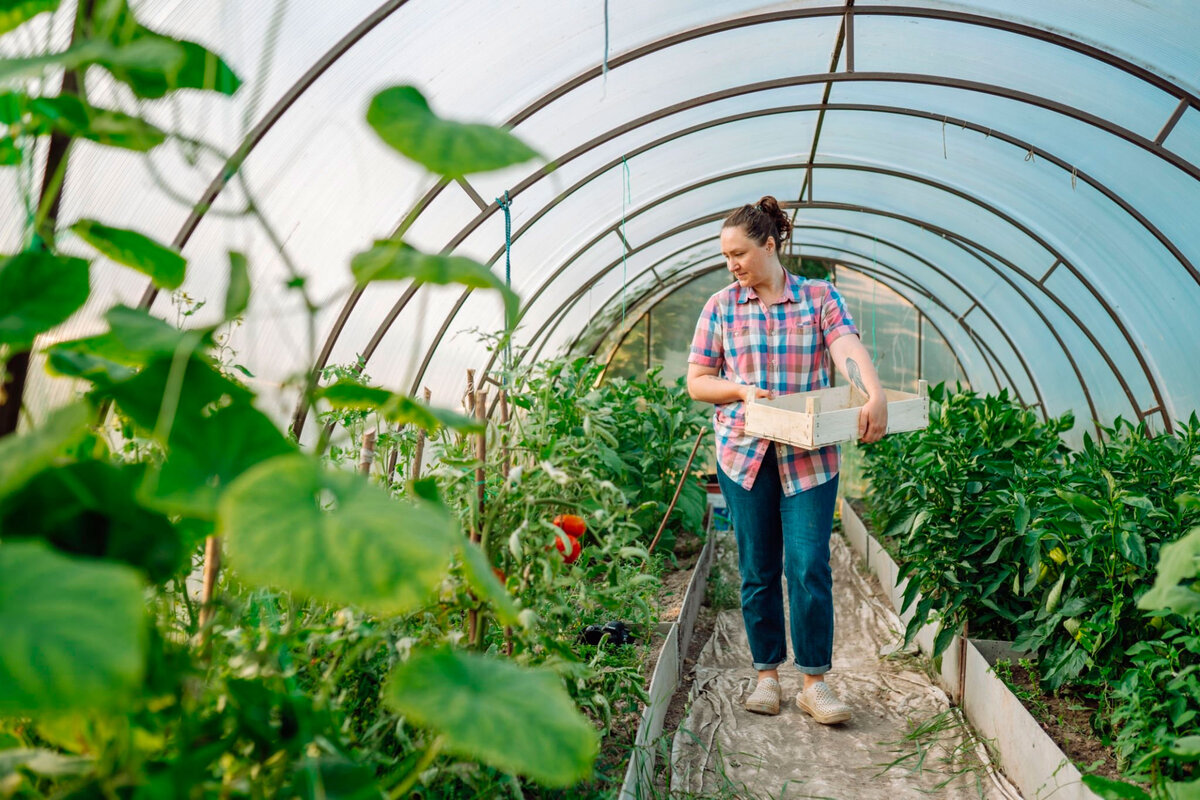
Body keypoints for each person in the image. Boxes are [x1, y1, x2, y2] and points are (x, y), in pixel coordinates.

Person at [686, 196, 888, 724]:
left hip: (810, 456)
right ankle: (766, 675)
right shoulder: (722, 307)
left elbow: (845, 346)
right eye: (726, 256)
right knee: (757, 567)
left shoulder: (818, 298)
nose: (731, 264)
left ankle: (814, 683)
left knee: (808, 565)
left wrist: (873, 393)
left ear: (770, 245)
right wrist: (740, 391)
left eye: (739, 253)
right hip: (744, 454)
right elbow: (697, 381)